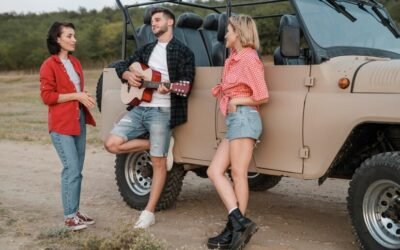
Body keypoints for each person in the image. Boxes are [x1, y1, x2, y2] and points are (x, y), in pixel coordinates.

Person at [104, 7, 195, 229]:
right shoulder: (146, 49)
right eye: (152, 21)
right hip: (139, 108)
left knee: (158, 162)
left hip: (161, 111)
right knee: (112, 144)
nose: (153, 24)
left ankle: (149, 211)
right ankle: (162, 145)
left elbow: (186, 85)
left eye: (157, 20)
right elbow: (122, 65)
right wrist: (126, 74)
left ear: (170, 22)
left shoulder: (183, 52)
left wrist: (169, 89)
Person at [207, 15, 269, 250]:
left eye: (229, 31)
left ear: (240, 33)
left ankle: (236, 229)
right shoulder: (234, 58)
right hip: (236, 120)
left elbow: (262, 95)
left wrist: (237, 100)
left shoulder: (249, 59)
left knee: (238, 173)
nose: (225, 35)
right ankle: (238, 222)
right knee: (214, 171)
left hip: (245, 117)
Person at [39, 22, 96, 231]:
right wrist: (77, 95)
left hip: (78, 120)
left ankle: (75, 210)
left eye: (74, 36)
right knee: (71, 169)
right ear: (57, 39)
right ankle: (69, 217)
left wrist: (83, 96)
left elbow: (75, 90)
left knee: (77, 170)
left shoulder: (76, 63)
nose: (74, 39)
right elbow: (47, 96)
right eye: (69, 36)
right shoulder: (49, 65)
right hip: (61, 125)